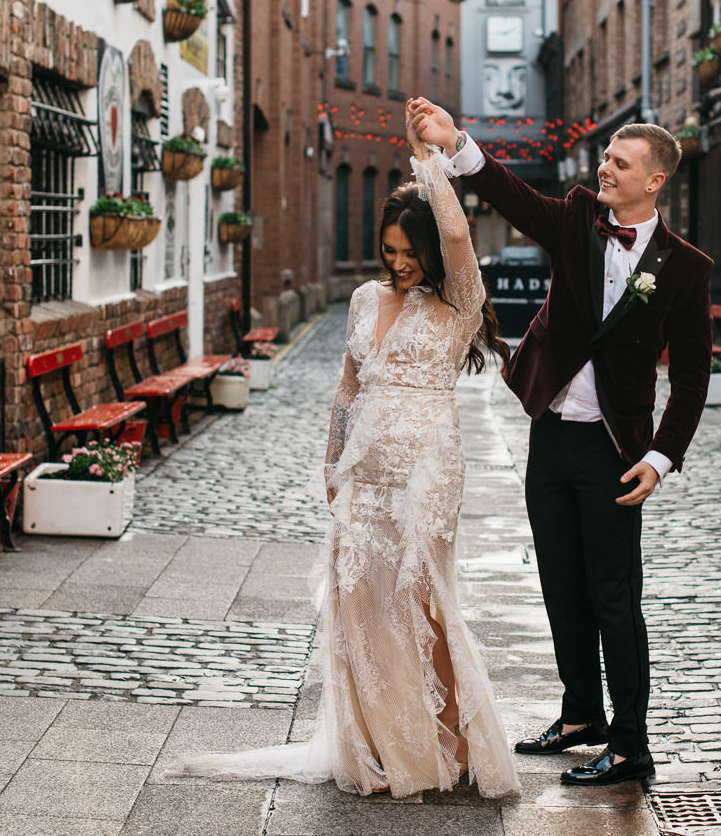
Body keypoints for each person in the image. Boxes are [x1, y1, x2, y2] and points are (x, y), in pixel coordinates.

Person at [170, 115, 521, 800]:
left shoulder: (460, 302)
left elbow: (454, 233)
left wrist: (433, 162)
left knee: (423, 604)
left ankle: (447, 745)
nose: (398, 262)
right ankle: (383, 744)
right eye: (389, 250)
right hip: (362, 472)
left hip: (428, 470)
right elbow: (346, 387)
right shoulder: (365, 297)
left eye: (407, 250)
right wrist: (331, 463)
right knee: (359, 604)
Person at [407, 97, 713, 787]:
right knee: (560, 585)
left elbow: (694, 378)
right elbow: (510, 194)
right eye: (606, 157)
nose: (604, 167)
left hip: (615, 450)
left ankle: (631, 746)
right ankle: (581, 716)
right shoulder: (576, 215)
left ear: (654, 180)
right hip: (551, 436)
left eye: (620, 162)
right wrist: (454, 139)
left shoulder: (686, 267)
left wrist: (660, 459)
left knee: (614, 596)